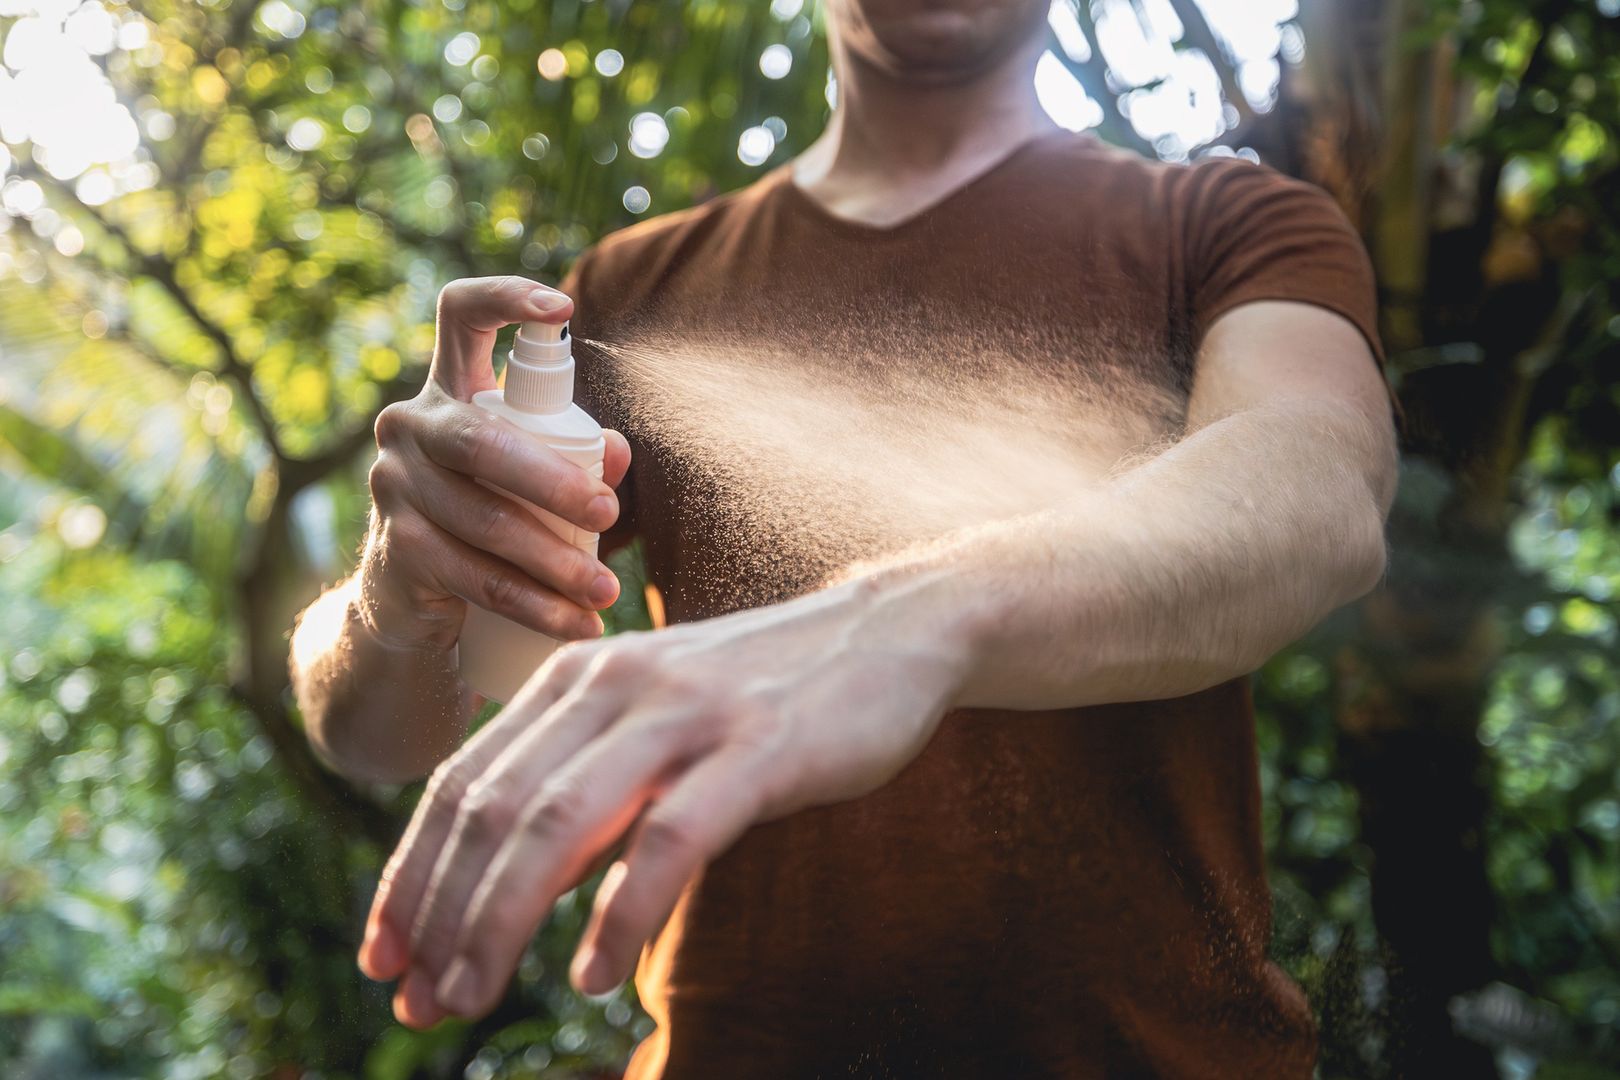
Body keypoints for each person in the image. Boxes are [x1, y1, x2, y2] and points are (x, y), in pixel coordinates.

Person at [289, 0, 1397, 1075]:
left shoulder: (1228, 224)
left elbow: (1319, 482)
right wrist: (394, 595)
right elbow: (373, 737)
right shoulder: (635, 289)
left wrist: (911, 621)